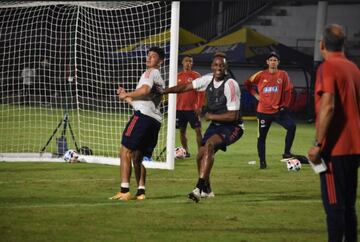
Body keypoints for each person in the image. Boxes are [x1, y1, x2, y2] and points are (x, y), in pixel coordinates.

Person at [162, 52, 244, 203]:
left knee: (210, 146)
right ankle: (207, 190)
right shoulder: (208, 79)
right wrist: (164, 91)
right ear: (212, 67)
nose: (218, 67)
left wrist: (211, 116)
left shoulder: (231, 85)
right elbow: (185, 87)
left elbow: (233, 116)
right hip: (217, 125)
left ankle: (198, 188)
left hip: (233, 127)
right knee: (200, 155)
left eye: (221, 65)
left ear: (226, 67)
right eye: (216, 65)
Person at [307, 24, 360, 242]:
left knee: (335, 208)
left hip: (334, 150)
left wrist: (318, 144)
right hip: (354, 148)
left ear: (322, 45)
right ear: (343, 44)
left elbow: (328, 106)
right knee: (348, 206)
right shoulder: (354, 68)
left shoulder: (327, 67)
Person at [109, 46, 165, 201]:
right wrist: (125, 96)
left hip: (142, 118)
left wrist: (127, 93)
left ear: (160, 61)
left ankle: (124, 190)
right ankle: (141, 192)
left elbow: (145, 90)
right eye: (148, 55)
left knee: (125, 150)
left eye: (152, 56)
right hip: (154, 121)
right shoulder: (159, 78)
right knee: (137, 156)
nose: (148, 58)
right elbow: (142, 101)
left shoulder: (150, 72)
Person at [244, 51, 296, 169]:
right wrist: (255, 94)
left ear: (278, 62)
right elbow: (247, 83)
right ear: (267, 62)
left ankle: (287, 152)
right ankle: (262, 162)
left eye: (275, 60)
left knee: (292, 127)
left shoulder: (283, 75)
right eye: (271, 60)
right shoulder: (261, 74)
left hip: (278, 111)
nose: (273, 62)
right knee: (261, 138)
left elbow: (288, 91)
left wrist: (285, 106)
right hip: (263, 112)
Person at [176, 55, 205, 156]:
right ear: (182, 63)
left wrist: (199, 106)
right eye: (186, 61)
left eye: (190, 61)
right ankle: (186, 152)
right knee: (182, 131)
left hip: (192, 109)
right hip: (179, 109)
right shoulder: (177, 76)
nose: (188, 63)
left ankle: (200, 152)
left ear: (192, 63)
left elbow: (201, 92)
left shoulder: (196, 75)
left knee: (198, 130)